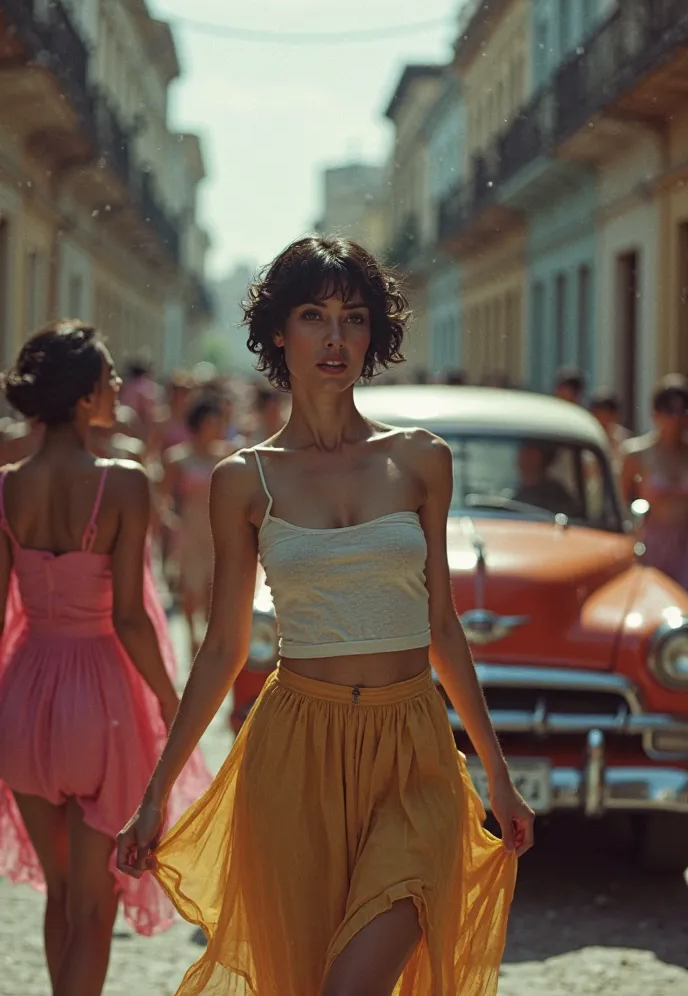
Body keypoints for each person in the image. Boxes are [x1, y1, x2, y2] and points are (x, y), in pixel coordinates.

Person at [116, 236, 531, 996]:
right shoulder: (245, 480)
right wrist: (154, 796)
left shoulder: (421, 460)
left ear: (376, 334)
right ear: (279, 331)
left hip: (413, 750)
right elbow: (223, 649)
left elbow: (442, 627)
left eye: (354, 317)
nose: (335, 338)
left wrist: (497, 775)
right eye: (313, 315)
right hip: (294, 753)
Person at [0, 322, 209, 996]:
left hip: (27, 695)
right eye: (109, 377)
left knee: (60, 897)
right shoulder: (122, 483)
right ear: (86, 394)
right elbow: (127, 616)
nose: (118, 386)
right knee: (96, 907)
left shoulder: (4, 487)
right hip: (103, 701)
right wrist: (170, 696)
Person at [160, 394, 233, 659]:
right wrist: (170, 525)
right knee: (190, 589)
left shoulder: (228, 456)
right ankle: (192, 638)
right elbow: (163, 498)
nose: (217, 429)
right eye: (212, 423)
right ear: (200, 424)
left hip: (219, 530)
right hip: (189, 531)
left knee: (216, 589)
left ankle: (209, 640)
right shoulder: (177, 458)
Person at [620, 374, 688, 589]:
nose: (676, 419)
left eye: (683, 411)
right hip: (650, 545)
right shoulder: (637, 454)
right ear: (656, 414)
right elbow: (620, 505)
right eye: (669, 411)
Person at [512, 440, 580, 518]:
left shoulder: (557, 495)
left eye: (530, 453)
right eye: (522, 452)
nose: (523, 457)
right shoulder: (513, 490)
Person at [588, 388, 631, 474]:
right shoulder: (586, 437)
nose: (603, 420)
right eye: (598, 415)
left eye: (607, 415)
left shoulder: (625, 441)